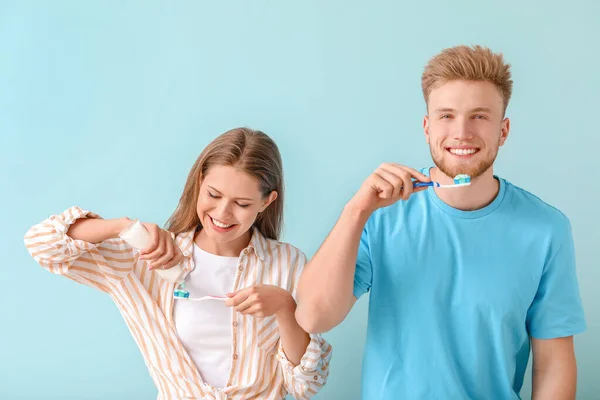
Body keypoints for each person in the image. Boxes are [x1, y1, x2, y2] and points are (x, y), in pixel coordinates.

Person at [295, 45, 586, 399]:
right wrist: (356, 212)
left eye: (479, 116)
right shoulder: (380, 214)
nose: (462, 132)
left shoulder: (546, 230)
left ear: (503, 130)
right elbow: (313, 317)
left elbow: (553, 363)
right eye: (447, 116)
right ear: (427, 127)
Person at [25, 127, 331, 400]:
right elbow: (42, 245)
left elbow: (306, 384)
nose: (223, 213)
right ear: (199, 183)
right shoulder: (147, 257)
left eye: (241, 204)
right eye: (214, 194)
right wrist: (124, 227)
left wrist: (284, 307)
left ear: (267, 202)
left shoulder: (288, 263)